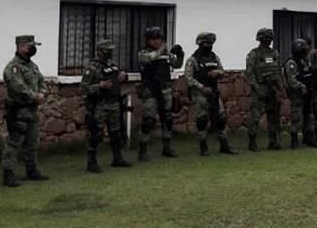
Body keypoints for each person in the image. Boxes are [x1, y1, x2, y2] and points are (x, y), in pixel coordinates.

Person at [1, 34, 49, 187]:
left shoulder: (32, 66)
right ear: (21, 46)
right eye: (30, 46)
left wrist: (43, 93)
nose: (33, 49)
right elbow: (18, 86)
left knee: (32, 142)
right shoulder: (13, 67)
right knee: (13, 143)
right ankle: (8, 174)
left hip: (32, 110)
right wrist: (35, 96)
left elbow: (41, 81)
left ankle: (32, 170)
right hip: (18, 110)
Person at [81, 39, 132, 172]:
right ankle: (91, 162)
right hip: (100, 105)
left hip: (114, 103)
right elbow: (84, 88)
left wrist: (123, 76)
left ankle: (117, 158)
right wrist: (99, 86)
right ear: (99, 51)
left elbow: (119, 77)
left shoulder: (112, 65)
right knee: (96, 134)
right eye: (106, 50)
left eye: (110, 50)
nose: (109, 52)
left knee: (116, 132)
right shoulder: (91, 68)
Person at [184, 32, 237, 156]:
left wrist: (217, 72)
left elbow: (222, 71)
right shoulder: (193, 60)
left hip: (213, 91)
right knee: (202, 119)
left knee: (221, 118)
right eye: (206, 43)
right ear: (200, 43)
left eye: (211, 43)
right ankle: (203, 146)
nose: (209, 46)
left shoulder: (214, 57)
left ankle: (224, 145)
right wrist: (201, 87)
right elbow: (189, 78)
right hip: (200, 93)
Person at [137, 27, 184, 161]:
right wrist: (160, 50)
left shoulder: (165, 54)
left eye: (159, 39)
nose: (157, 41)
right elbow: (148, 59)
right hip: (151, 90)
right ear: (148, 40)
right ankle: (143, 150)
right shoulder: (143, 53)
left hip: (165, 89)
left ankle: (167, 147)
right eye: (153, 39)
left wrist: (180, 53)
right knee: (149, 121)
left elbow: (177, 65)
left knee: (167, 119)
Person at [246, 27, 282, 151]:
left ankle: (273, 141)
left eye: (270, 38)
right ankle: (252, 142)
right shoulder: (254, 54)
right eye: (266, 38)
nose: (268, 40)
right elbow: (249, 73)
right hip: (259, 87)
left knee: (273, 115)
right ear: (260, 39)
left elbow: (278, 71)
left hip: (272, 88)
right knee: (255, 116)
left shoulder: (274, 53)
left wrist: (280, 88)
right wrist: (257, 89)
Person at [284, 38, 317, 149]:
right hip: (297, 93)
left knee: (309, 115)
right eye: (304, 49)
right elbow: (291, 80)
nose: (306, 51)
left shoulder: (305, 60)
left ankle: (309, 138)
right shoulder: (291, 63)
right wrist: (301, 86)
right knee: (297, 116)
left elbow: (308, 72)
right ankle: (294, 140)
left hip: (308, 92)